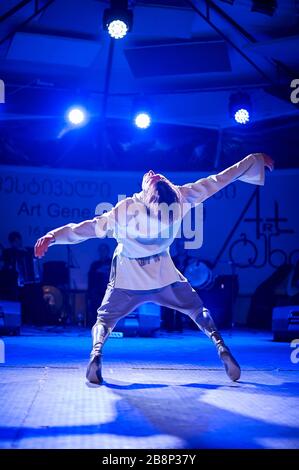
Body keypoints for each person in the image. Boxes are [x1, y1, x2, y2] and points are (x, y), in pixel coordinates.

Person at [35, 152, 274, 385]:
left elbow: (84, 229)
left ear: (148, 194)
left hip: (127, 281)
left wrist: (53, 236)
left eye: (153, 178)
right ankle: (220, 346)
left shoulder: (125, 211)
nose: (151, 173)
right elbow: (220, 180)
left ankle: (96, 354)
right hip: (164, 277)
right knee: (196, 309)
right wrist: (253, 162)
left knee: (104, 320)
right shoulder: (181, 198)